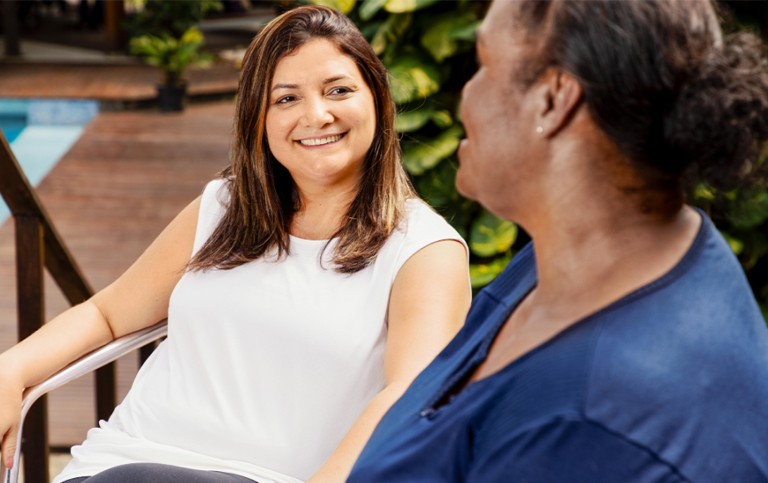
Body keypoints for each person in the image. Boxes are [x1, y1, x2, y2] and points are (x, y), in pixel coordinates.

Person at [0, 5, 471, 483]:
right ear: (258, 120)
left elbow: (409, 399)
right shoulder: (222, 207)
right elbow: (107, 315)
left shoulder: (422, 250)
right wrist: (11, 370)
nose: (316, 115)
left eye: (339, 90)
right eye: (286, 99)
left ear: (377, 100)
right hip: (124, 461)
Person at [348, 0, 768, 481]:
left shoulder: (601, 428)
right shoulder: (565, 262)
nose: (466, 95)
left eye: (484, 64)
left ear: (553, 99)